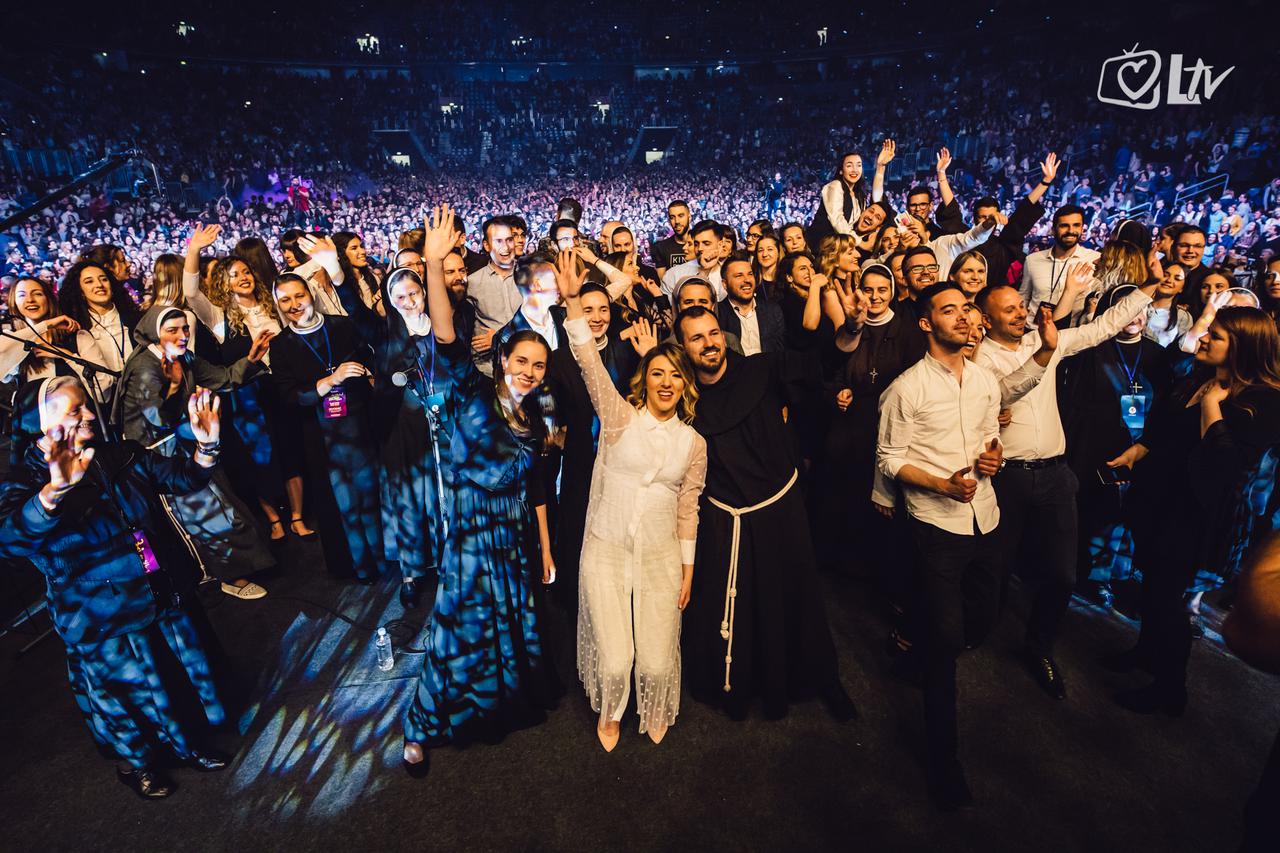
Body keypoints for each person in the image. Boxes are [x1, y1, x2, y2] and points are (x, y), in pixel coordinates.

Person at [0, 378, 228, 799]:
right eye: (74, 411)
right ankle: (141, 765)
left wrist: (206, 447)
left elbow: (183, 478)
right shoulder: (24, 480)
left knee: (173, 676)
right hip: (96, 613)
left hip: (154, 590)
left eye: (86, 406)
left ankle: (188, 745)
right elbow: (10, 541)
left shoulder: (119, 454)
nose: (88, 415)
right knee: (124, 695)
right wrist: (53, 493)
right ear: (40, 424)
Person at [403, 205, 556, 773]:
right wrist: (439, 264)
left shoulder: (535, 418)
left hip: (508, 540)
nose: (530, 371)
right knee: (454, 633)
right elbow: (445, 335)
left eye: (539, 365)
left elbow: (536, 487)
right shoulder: (470, 392)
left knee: (505, 625)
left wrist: (542, 547)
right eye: (521, 360)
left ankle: (498, 705)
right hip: (468, 540)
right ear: (502, 360)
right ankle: (420, 724)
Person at [874, 282, 1035, 810]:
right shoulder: (906, 389)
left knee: (981, 620)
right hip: (936, 525)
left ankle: (917, 649)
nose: (965, 317)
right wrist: (941, 484)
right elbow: (889, 460)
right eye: (950, 310)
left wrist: (994, 459)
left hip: (986, 519)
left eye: (966, 308)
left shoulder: (987, 379)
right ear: (926, 324)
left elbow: (993, 435)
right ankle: (944, 764)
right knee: (947, 646)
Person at [973, 270, 1157, 698]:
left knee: (1061, 574)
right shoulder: (980, 359)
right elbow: (1001, 394)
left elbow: (1103, 327)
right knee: (994, 566)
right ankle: (976, 631)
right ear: (985, 318)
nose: (1022, 314)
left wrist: (1148, 289)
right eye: (1010, 310)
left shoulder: (1044, 341)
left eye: (1022, 306)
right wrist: (1044, 355)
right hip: (1006, 477)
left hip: (1056, 474)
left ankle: (1039, 647)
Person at [673, 305, 857, 722]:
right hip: (726, 518)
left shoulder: (761, 369)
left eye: (713, 333)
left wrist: (851, 328)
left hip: (779, 508)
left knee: (796, 599)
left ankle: (820, 679)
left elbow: (825, 359)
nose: (709, 343)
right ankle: (739, 687)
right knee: (736, 605)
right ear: (683, 347)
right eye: (697, 338)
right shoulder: (686, 396)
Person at [558, 250, 706, 750]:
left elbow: (689, 508)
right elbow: (587, 360)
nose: (667, 383)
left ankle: (656, 704)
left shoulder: (693, 443)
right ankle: (612, 709)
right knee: (618, 658)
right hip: (607, 547)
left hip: (663, 556)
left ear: (686, 386)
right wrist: (574, 301)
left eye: (676, 376)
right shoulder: (619, 417)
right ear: (646, 378)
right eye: (658, 373)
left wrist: (688, 568)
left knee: (659, 659)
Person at [1104, 307, 1280, 715]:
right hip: (1159, 500)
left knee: (1169, 597)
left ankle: (1170, 688)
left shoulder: (1265, 401)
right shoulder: (1200, 377)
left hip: (1194, 513)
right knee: (1151, 583)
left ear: (1243, 347)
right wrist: (1139, 449)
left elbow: (1225, 466)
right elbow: (1165, 427)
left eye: (1214, 336)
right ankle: (1146, 653)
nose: (1202, 339)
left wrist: (1212, 407)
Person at [115, 305, 275, 600]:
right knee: (209, 513)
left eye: (184, 328)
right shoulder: (144, 367)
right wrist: (175, 385)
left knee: (224, 503)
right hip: (161, 457)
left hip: (187, 442)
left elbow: (223, 377)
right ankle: (229, 577)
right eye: (172, 330)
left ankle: (239, 568)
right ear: (154, 333)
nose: (182, 335)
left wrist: (251, 359)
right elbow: (157, 420)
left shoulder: (184, 356)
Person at [182, 224, 318, 544]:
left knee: (291, 452)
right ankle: (274, 519)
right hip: (246, 396)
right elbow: (190, 292)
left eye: (246, 271)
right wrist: (194, 250)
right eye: (234, 274)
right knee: (256, 460)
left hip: (279, 387)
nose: (243, 277)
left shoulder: (273, 303)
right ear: (224, 284)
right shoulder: (217, 316)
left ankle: (297, 517)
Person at [1059, 285, 1173, 609]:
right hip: (1090, 444)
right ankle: (1070, 571)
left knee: (1117, 517)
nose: (1134, 316)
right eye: (1124, 308)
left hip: (1136, 447)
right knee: (1084, 510)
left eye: (1139, 309)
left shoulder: (1157, 355)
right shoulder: (1091, 350)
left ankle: (1102, 578)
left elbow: (1164, 406)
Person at [269, 275, 384, 583]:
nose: (294, 305)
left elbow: (372, 355)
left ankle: (384, 561)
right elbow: (289, 397)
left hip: (360, 428)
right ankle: (361, 567)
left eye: (298, 296)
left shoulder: (342, 326)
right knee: (344, 506)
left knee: (372, 498)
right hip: (322, 439)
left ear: (311, 294)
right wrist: (328, 382)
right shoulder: (280, 345)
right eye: (285, 300)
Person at [816, 264, 924, 578]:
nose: (875, 296)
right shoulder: (851, 325)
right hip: (849, 424)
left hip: (889, 427)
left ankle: (872, 568)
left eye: (882, 289)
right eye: (869, 289)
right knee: (841, 494)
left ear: (892, 291)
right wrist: (837, 391)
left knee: (880, 502)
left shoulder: (908, 331)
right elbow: (829, 369)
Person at [378, 267, 451, 608]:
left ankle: (447, 563)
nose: (409, 302)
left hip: (443, 424)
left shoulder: (443, 324)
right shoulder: (387, 333)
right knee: (409, 502)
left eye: (414, 294)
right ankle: (411, 573)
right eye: (400, 298)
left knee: (444, 497)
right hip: (403, 430)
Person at [2, 276, 114, 401]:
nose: (30, 300)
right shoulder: (13, 341)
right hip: (34, 419)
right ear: (14, 302)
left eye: (37, 294)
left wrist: (67, 356)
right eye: (22, 295)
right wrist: (46, 325)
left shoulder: (78, 337)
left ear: (49, 299)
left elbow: (103, 392)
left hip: (78, 417)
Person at [972, 153, 1058, 285]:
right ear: (974, 219)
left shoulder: (1002, 245)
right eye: (982, 217)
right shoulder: (963, 241)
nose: (987, 221)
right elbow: (951, 215)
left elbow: (1023, 212)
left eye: (992, 217)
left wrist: (1045, 181)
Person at [57, 260, 141, 393]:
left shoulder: (136, 320)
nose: (99, 285)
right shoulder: (77, 330)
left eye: (104, 279)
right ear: (81, 291)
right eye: (89, 281)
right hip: (106, 405)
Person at [1018, 204, 1100, 314]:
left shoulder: (1094, 259)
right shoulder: (1032, 260)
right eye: (1064, 226)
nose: (1071, 230)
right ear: (1053, 230)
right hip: (1033, 328)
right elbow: (1024, 297)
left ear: (1082, 228)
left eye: (1076, 225)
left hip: (1071, 330)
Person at [715, 256, 785, 355]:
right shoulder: (717, 314)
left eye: (750, 274)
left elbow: (781, 353)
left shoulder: (772, 311)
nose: (747, 280)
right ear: (725, 284)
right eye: (739, 276)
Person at [651, 200, 691, 277]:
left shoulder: (700, 244)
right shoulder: (661, 247)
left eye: (681, 216)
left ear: (689, 217)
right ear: (669, 220)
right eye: (672, 217)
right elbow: (663, 283)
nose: (677, 221)